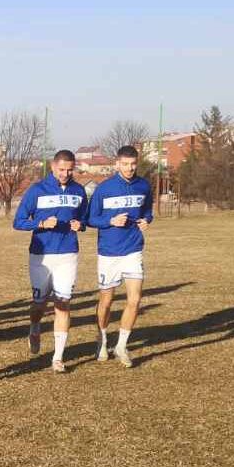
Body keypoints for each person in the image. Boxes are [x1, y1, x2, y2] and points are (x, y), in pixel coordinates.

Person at [13, 149, 89, 373]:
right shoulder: (37, 190)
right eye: (62, 169)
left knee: (63, 304)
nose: (66, 174)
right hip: (41, 255)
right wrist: (41, 223)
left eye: (70, 170)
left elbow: (85, 218)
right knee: (39, 304)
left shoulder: (79, 191)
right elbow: (18, 221)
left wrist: (81, 225)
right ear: (53, 167)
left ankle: (57, 357)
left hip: (68, 254)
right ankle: (35, 326)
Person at [86, 145, 154, 368]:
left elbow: (147, 211)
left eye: (133, 164)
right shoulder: (104, 188)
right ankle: (102, 339)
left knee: (135, 299)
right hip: (109, 252)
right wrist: (110, 221)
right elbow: (90, 219)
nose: (129, 168)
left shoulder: (143, 186)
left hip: (133, 249)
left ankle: (121, 346)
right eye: (125, 164)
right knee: (106, 301)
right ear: (117, 164)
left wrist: (146, 220)